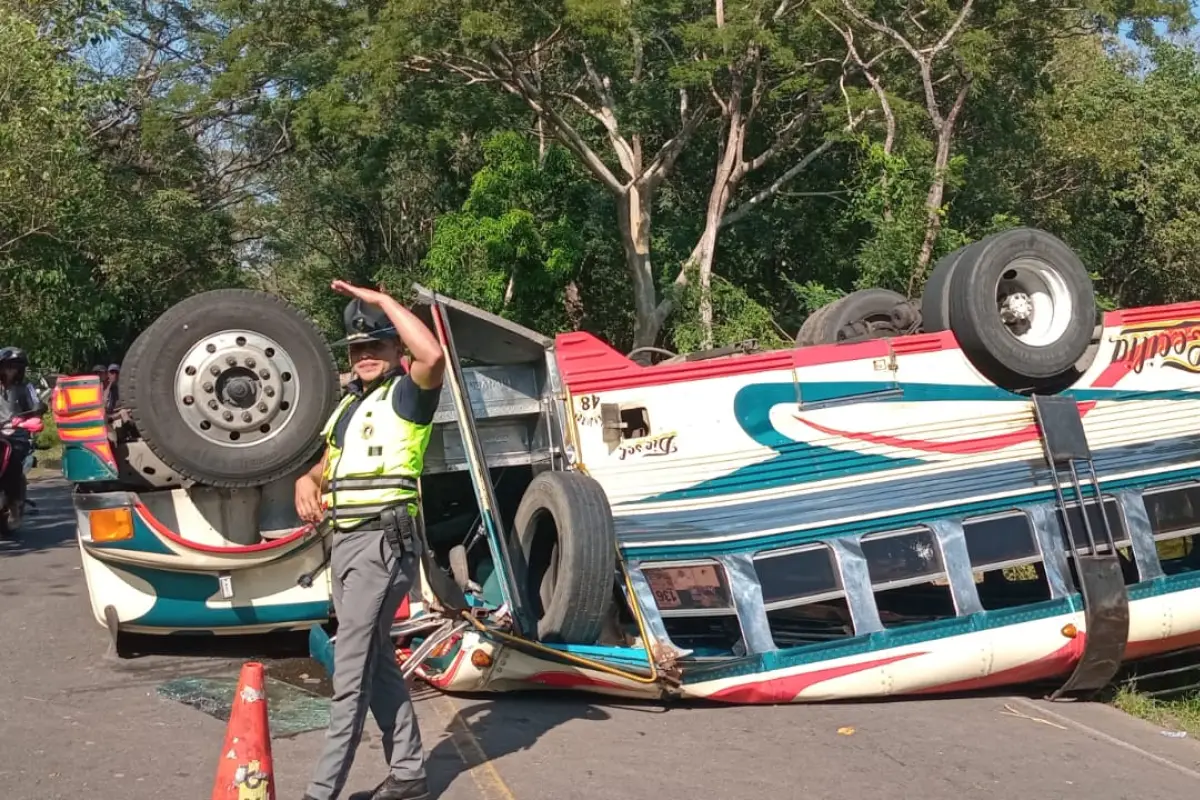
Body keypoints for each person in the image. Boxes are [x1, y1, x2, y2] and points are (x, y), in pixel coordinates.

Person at [298, 280, 445, 800]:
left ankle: (321, 791)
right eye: (357, 349)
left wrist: (383, 302)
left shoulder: (407, 396)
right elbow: (322, 469)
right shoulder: (347, 409)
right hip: (344, 546)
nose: (363, 356)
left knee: (351, 671)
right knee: (377, 660)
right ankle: (409, 774)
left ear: (394, 350)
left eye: (375, 346)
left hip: (383, 545)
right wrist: (304, 482)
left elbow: (432, 353)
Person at [0, 348, 45, 531]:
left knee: (13, 462)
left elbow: (37, 410)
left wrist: (26, 420)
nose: (13, 370)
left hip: (17, 434)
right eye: (9, 366)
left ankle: (14, 507)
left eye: (17, 367)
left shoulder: (26, 388)